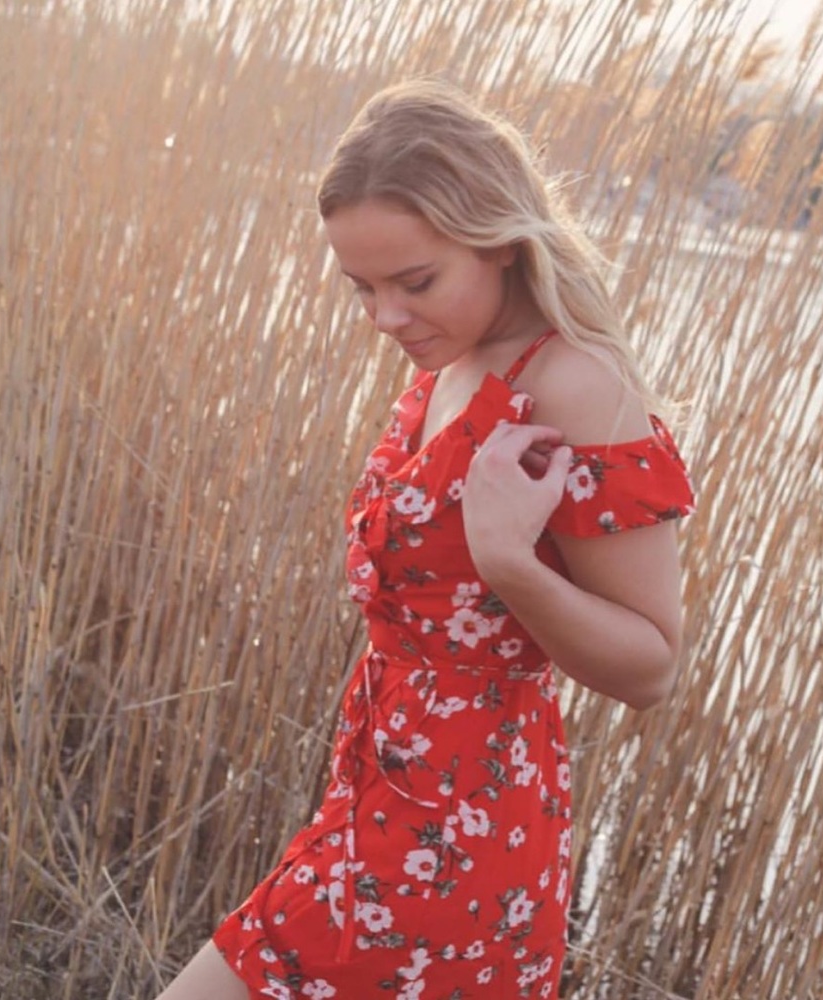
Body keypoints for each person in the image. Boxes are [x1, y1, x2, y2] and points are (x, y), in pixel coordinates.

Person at [156, 79, 695, 1000]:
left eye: (415, 282)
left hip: (459, 842)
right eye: (362, 288)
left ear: (502, 240)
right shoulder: (450, 359)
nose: (385, 318)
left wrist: (511, 565)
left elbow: (652, 668)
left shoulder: (573, 386)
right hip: (373, 804)